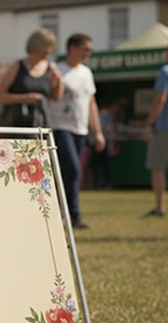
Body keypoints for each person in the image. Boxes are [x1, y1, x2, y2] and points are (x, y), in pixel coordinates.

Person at [48, 33, 106, 229]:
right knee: (72, 168)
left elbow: (91, 103)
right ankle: (72, 213)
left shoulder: (86, 73)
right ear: (72, 48)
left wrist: (97, 131)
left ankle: (69, 214)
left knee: (73, 172)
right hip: (60, 126)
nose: (89, 53)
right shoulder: (58, 70)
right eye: (86, 48)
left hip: (80, 129)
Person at [0, 28, 63, 128]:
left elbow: (56, 97)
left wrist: (58, 80)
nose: (47, 52)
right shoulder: (17, 66)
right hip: (16, 123)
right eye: (43, 49)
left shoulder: (50, 68)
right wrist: (24, 98)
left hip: (40, 123)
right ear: (34, 48)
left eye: (50, 49)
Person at [141, 42, 168, 217]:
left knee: (157, 167)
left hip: (166, 126)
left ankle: (159, 208)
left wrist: (149, 124)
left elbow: (160, 99)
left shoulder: (166, 71)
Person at [87, 102, 119, 189]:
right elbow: (97, 129)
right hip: (97, 142)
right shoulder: (101, 116)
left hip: (106, 142)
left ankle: (105, 182)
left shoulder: (110, 117)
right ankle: (92, 183)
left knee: (104, 164)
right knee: (95, 164)